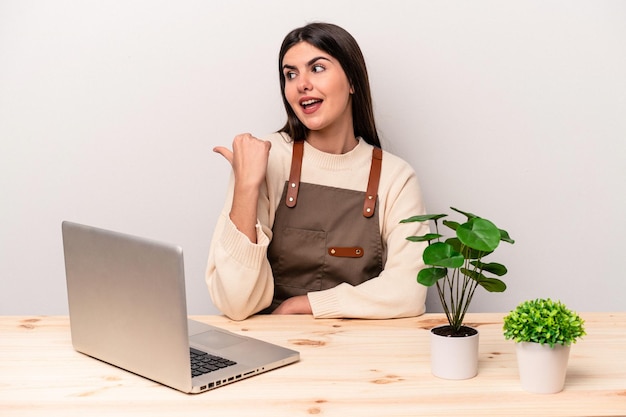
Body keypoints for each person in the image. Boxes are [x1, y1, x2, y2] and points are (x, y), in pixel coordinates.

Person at [207, 22, 429, 321]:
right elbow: (235, 304)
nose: (302, 84)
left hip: (365, 350)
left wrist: (306, 305)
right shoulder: (264, 158)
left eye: (318, 68)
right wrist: (246, 186)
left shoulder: (396, 177)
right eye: (290, 74)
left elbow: (408, 292)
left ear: (352, 81)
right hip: (271, 347)